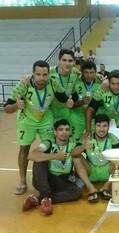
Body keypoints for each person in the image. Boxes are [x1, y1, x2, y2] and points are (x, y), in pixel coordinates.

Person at [4, 60, 74, 195]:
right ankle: (23, 181)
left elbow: (63, 97)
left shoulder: (53, 83)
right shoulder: (23, 85)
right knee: (24, 148)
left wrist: (69, 102)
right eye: (38, 74)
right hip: (26, 120)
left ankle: (47, 177)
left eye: (45, 75)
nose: (41, 78)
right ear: (33, 74)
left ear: (49, 74)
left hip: (45, 119)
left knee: (48, 146)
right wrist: (15, 106)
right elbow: (7, 108)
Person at [23, 119, 82, 215]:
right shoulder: (48, 143)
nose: (64, 132)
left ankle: (41, 199)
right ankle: (46, 196)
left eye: (67, 130)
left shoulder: (73, 144)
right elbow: (31, 155)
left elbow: (78, 151)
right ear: (55, 132)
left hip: (62, 181)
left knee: (77, 192)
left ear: (70, 132)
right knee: (39, 161)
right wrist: (55, 156)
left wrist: (84, 146)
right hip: (45, 180)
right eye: (61, 129)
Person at [72, 114, 119, 203]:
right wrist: (83, 146)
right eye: (98, 126)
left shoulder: (112, 138)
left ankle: (106, 186)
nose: (101, 129)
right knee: (76, 156)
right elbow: (72, 153)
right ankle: (91, 188)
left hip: (108, 172)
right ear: (94, 126)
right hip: (91, 171)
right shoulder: (87, 137)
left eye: (104, 126)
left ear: (109, 127)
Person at [70, 61, 102, 142]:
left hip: (93, 119)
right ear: (82, 72)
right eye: (86, 72)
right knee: (75, 142)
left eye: (92, 72)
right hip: (77, 119)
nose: (89, 75)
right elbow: (71, 105)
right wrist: (82, 102)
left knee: (93, 143)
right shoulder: (75, 83)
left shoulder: (101, 83)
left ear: (96, 72)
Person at [50, 49, 81, 121]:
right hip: (50, 111)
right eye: (64, 60)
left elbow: (85, 74)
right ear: (59, 61)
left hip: (65, 111)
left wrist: (99, 75)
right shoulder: (50, 72)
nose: (67, 63)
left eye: (70, 61)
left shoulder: (75, 72)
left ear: (74, 62)